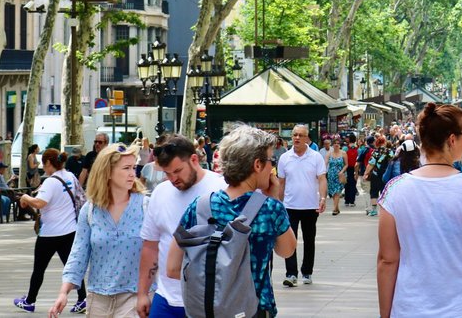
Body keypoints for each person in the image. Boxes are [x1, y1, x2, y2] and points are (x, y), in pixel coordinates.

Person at [377, 102, 462, 318]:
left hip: (411, 307)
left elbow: (387, 259)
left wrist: (385, 314)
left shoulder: (394, 191)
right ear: (452, 139)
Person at [166, 126, 296, 318]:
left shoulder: (201, 206)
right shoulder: (269, 209)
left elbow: (173, 267)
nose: (272, 167)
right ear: (257, 165)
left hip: (208, 310)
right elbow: (287, 250)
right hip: (254, 310)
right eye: (271, 160)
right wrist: (275, 198)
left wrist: (219, 286)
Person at [49, 144, 148, 317]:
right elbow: (79, 254)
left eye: (134, 167)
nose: (133, 173)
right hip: (98, 299)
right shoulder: (90, 211)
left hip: (135, 295)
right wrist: (63, 293)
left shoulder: (146, 206)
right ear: (107, 172)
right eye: (126, 168)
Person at [136, 135, 226, 318]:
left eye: (177, 171)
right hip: (165, 299)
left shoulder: (222, 188)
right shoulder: (160, 193)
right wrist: (142, 293)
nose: (173, 179)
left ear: (194, 159)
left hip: (209, 300)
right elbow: (151, 245)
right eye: (167, 173)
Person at [14, 149, 88, 313]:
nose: (42, 166)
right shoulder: (69, 176)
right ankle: (83, 299)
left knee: (39, 269)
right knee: (72, 267)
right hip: (70, 231)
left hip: (49, 234)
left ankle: (30, 301)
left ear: (48, 163)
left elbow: (40, 203)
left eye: (43, 163)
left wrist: (25, 198)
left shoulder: (50, 181)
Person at [277, 124, 327, 287]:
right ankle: (291, 274)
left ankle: (307, 272)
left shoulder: (315, 157)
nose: (297, 138)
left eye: (300, 135)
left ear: (306, 138)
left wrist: (323, 198)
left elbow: (321, 179)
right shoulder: (285, 158)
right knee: (289, 241)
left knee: (309, 239)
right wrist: (278, 204)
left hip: (310, 206)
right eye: (294, 135)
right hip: (290, 206)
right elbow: (281, 183)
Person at [363, 135, 393, 217]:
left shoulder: (375, 152)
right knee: (385, 192)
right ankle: (385, 210)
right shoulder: (390, 152)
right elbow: (392, 163)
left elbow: (371, 164)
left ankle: (374, 210)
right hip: (386, 175)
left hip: (376, 175)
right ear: (385, 142)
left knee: (374, 191)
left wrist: (366, 173)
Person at [326, 137, 347, 216]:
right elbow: (325, 163)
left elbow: (346, 164)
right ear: (332, 145)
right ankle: (337, 208)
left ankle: (334, 209)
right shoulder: (329, 153)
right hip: (331, 175)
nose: (336, 145)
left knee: (337, 191)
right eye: (335, 143)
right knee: (333, 192)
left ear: (340, 145)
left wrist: (342, 171)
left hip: (340, 175)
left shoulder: (343, 153)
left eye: (338, 143)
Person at [344, 134, 359, 207]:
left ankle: (346, 201)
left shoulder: (345, 148)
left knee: (347, 184)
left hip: (346, 168)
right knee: (353, 184)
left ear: (349, 139)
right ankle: (352, 201)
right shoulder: (358, 149)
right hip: (355, 168)